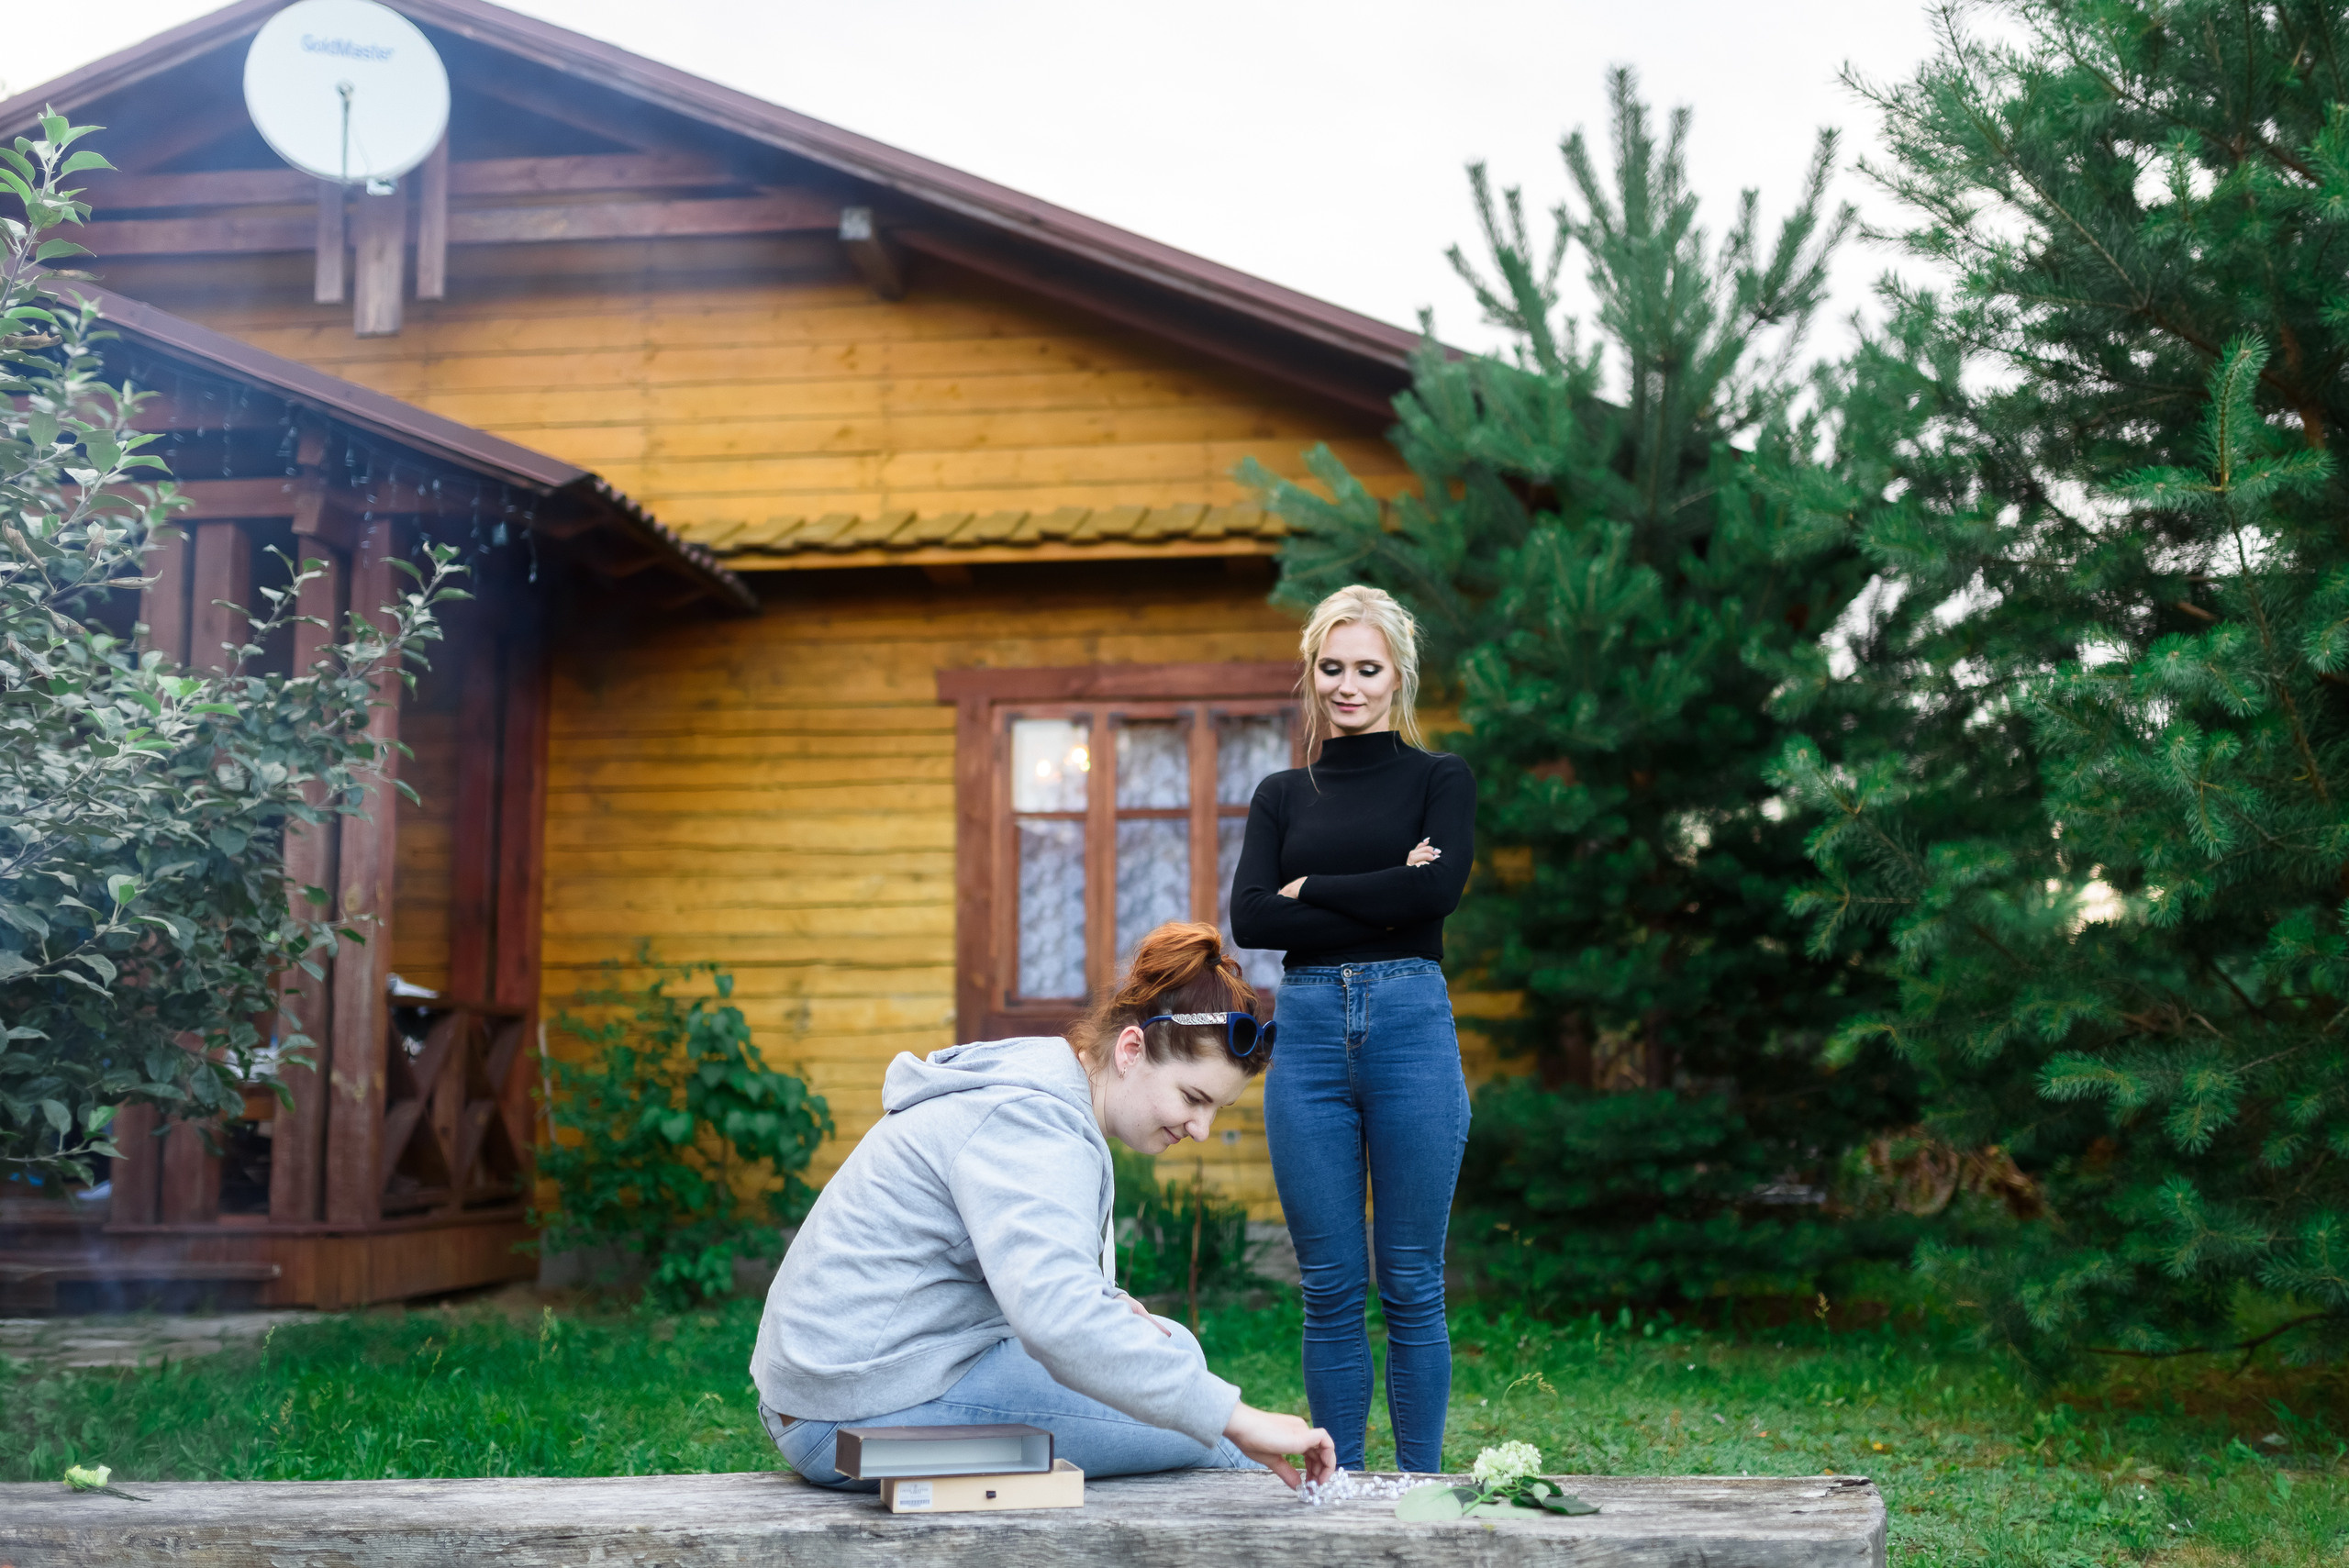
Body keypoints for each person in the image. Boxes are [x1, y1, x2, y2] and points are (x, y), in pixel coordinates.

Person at [749, 921, 1337, 1490]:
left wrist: (1114, 1316)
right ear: (1131, 1049)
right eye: (1193, 1097)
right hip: (848, 1410)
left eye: (1218, 1110)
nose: (1202, 1128)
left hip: (866, 1380)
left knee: (1174, 1351)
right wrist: (1237, 1418)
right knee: (1214, 1438)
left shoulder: (1050, 1102)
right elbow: (1059, 1320)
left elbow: (1054, 1290)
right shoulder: (1030, 1121)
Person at [1230, 584, 1475, 1474]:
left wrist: (1314, 890)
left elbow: (1432, 897)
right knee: (1329, 1288)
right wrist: (1380, 886)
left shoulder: (1439, 779)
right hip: (1308, 1037)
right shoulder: (1281, 793)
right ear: (1312, 672)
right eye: (1331, 667)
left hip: (1411, 1027)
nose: (1347, 684)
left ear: (1397, 674)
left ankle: (1418, 1493)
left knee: (1412, 1282)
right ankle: (1338, 1498)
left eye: (1366, 668)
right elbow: (1254, 920)